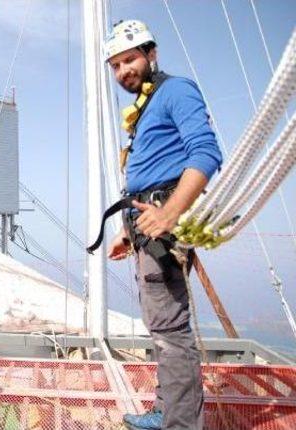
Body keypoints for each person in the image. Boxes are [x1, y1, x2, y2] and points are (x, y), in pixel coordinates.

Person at [104, 20, 222, 430]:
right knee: (162, 329)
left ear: (151, 54)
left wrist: (170, 213)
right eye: (115, 65)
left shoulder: (176, 90)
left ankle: (180, 424)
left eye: (130, 59)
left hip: (163, 228)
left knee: (170, 333)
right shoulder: (146, 106)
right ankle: (166, 410)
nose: (123, 71)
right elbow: (150, 172)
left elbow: (206, 154)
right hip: (145, 228)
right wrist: (127, 231)